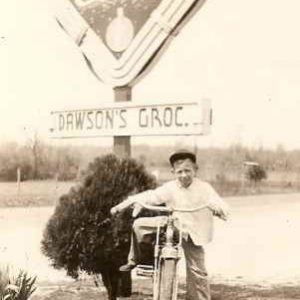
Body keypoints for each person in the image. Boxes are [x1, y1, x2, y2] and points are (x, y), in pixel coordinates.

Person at [110, 149, 229, 300]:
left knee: (198, 271)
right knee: (139, 225)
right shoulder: (170, 187)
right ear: (173, 171)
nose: (184, 175)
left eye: (188, 170)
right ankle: (138, 260)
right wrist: (124, 204)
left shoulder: (204, 188)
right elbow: (151, 196)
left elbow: (223, 207)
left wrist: (218, 209)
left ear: (195, 170)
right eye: (179, 172)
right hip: (174, 225)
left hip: (193, 233)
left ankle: (199, 298)